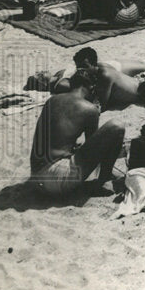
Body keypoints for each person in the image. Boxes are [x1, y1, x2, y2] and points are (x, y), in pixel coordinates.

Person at [29, 68, 125, 197]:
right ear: (91, 87)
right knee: (117, 127)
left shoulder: (51, 101)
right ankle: (103, 181)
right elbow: (96, 150)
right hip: (57, 180)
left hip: (35, 176)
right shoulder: (90, 109)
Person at [47, 46, 145, 94]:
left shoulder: (60, 73)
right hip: (115, 70)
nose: (42, 73)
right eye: (40, 76)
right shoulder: (62, 82)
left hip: (109, 65)